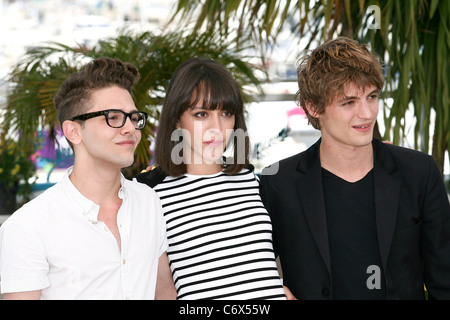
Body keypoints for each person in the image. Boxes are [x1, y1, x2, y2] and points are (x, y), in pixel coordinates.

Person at [260, 37, 450, 300]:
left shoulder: (418, 173)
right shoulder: (279, 184)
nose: (367, 113)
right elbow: (249, 268)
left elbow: (445, 281)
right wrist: (272, 292)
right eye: (348, 102)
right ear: (313, 107)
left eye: (371, 97)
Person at [0, 57, 176, 300]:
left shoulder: (149, 202)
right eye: (113, 117)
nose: (130, 129)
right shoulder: (27, 227)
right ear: (73, 131)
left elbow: (164, 293)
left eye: (134, 118)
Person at [136, 57, 286, 300]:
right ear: (176, 120)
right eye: (201, 114)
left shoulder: (255, 183)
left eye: (226, 113)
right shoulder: (151, 196)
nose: (217, 127)